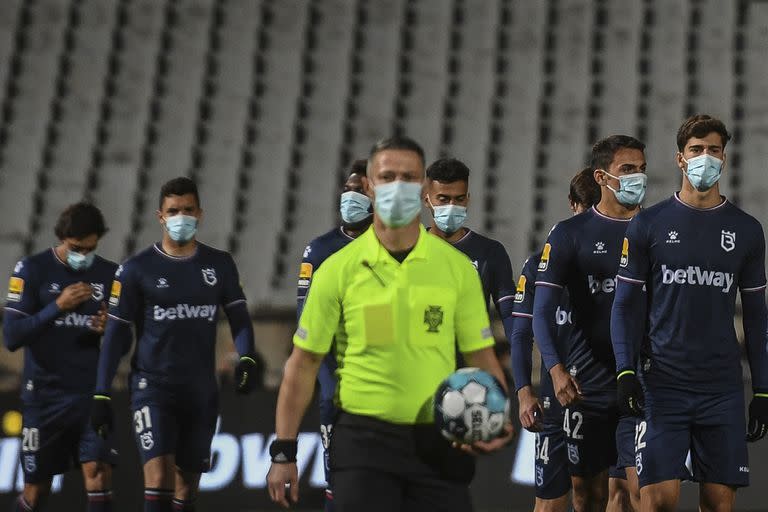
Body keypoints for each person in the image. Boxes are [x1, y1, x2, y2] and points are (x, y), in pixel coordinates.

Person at [266, 136, 514, 511]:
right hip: (363, 441)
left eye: (409, 177)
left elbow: (480, 355)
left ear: (424, 189)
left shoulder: (457, 269)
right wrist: (283, 452)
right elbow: (302, 364)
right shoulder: (337, 270)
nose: (398, 186)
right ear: (369, 185)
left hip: (439, 440)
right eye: (387, 176)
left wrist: (498, 412)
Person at [611, 114, 768, 512]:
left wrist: (763, 389)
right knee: (658, 502)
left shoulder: (747, 230)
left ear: (725, 158)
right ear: (681, 159)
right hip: (663, 384)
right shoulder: (649, 223)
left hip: (722, 387)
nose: (705, 158)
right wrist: (626, 370)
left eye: (713, 150)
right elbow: (626, 305)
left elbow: (756, 315)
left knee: (719, 505)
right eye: (696, 150)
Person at [89, 177, 258, 512]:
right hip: (152, 387)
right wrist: (101, 392)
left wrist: (248, 357)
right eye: (174, 210)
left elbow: (239, 317)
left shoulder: (219, 264)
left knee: (187, 485)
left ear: (200, 213)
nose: (181, 216)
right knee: (159, 475)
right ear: (160, 216)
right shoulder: (135, 270)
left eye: (188, 209)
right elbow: (117, 334)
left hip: (200, 389)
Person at [532, 135, 647, 511]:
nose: (637, 178)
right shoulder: (569, 234)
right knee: (588, 496)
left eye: (642, 170)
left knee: (645, 494)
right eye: (627, 170)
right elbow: (542, 310)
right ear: (601, 177)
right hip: (588, 386)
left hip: (646, 379)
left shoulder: (658, 229)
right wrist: (555, 369)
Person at [3, 202, 117, 512]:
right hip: (44, 398)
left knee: (98, 474)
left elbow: (126, 339)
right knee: (36, 491)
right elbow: (12, 337)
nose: (84, 255)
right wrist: (57, 307)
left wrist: (109, 330)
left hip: (90, 396)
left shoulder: (109, 275)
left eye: (90, 248)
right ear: (62, 238)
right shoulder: (32, 270)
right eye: (77, 248)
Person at [511, 167, 601, 512]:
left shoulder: (620, 261)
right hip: (555, 396)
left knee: (596, 496)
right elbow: (520, 333)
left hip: (605, 394)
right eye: (586, 207)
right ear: (572, 205)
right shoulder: (538, 267)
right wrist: (523, 392)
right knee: (549, 503)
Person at [296, 158, 373, 511]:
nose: (351, 196)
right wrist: (326, 380)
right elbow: (306, 321)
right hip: (335, 376)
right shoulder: (319, 250)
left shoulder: (391, 247)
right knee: (337, 478)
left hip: (382, 376)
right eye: (348, 189)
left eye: (360, 190)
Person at [422, 157, 516, 385]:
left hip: (471, 374)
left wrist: (520, 376)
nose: (451, 206)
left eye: (459, 199)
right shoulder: (409, 252)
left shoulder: (489, 252)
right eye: (443, 199)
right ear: (427, 200)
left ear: (468, 200)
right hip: (419, 369)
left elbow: (511, 317)